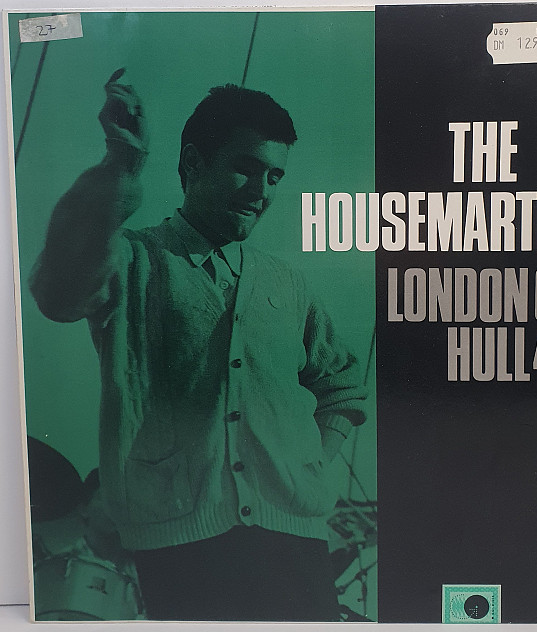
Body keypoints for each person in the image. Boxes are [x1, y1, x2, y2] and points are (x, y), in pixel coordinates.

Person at [29, 68, 368, 622]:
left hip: (295, 541)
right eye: (245, 167)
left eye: (275, 176)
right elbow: (58, 293)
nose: (261, 191)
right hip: (178, 543)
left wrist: (310, 462)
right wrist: (122, 165)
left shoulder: (288, 284)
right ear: (193, 162)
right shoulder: (132, 261)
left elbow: (343, 384)